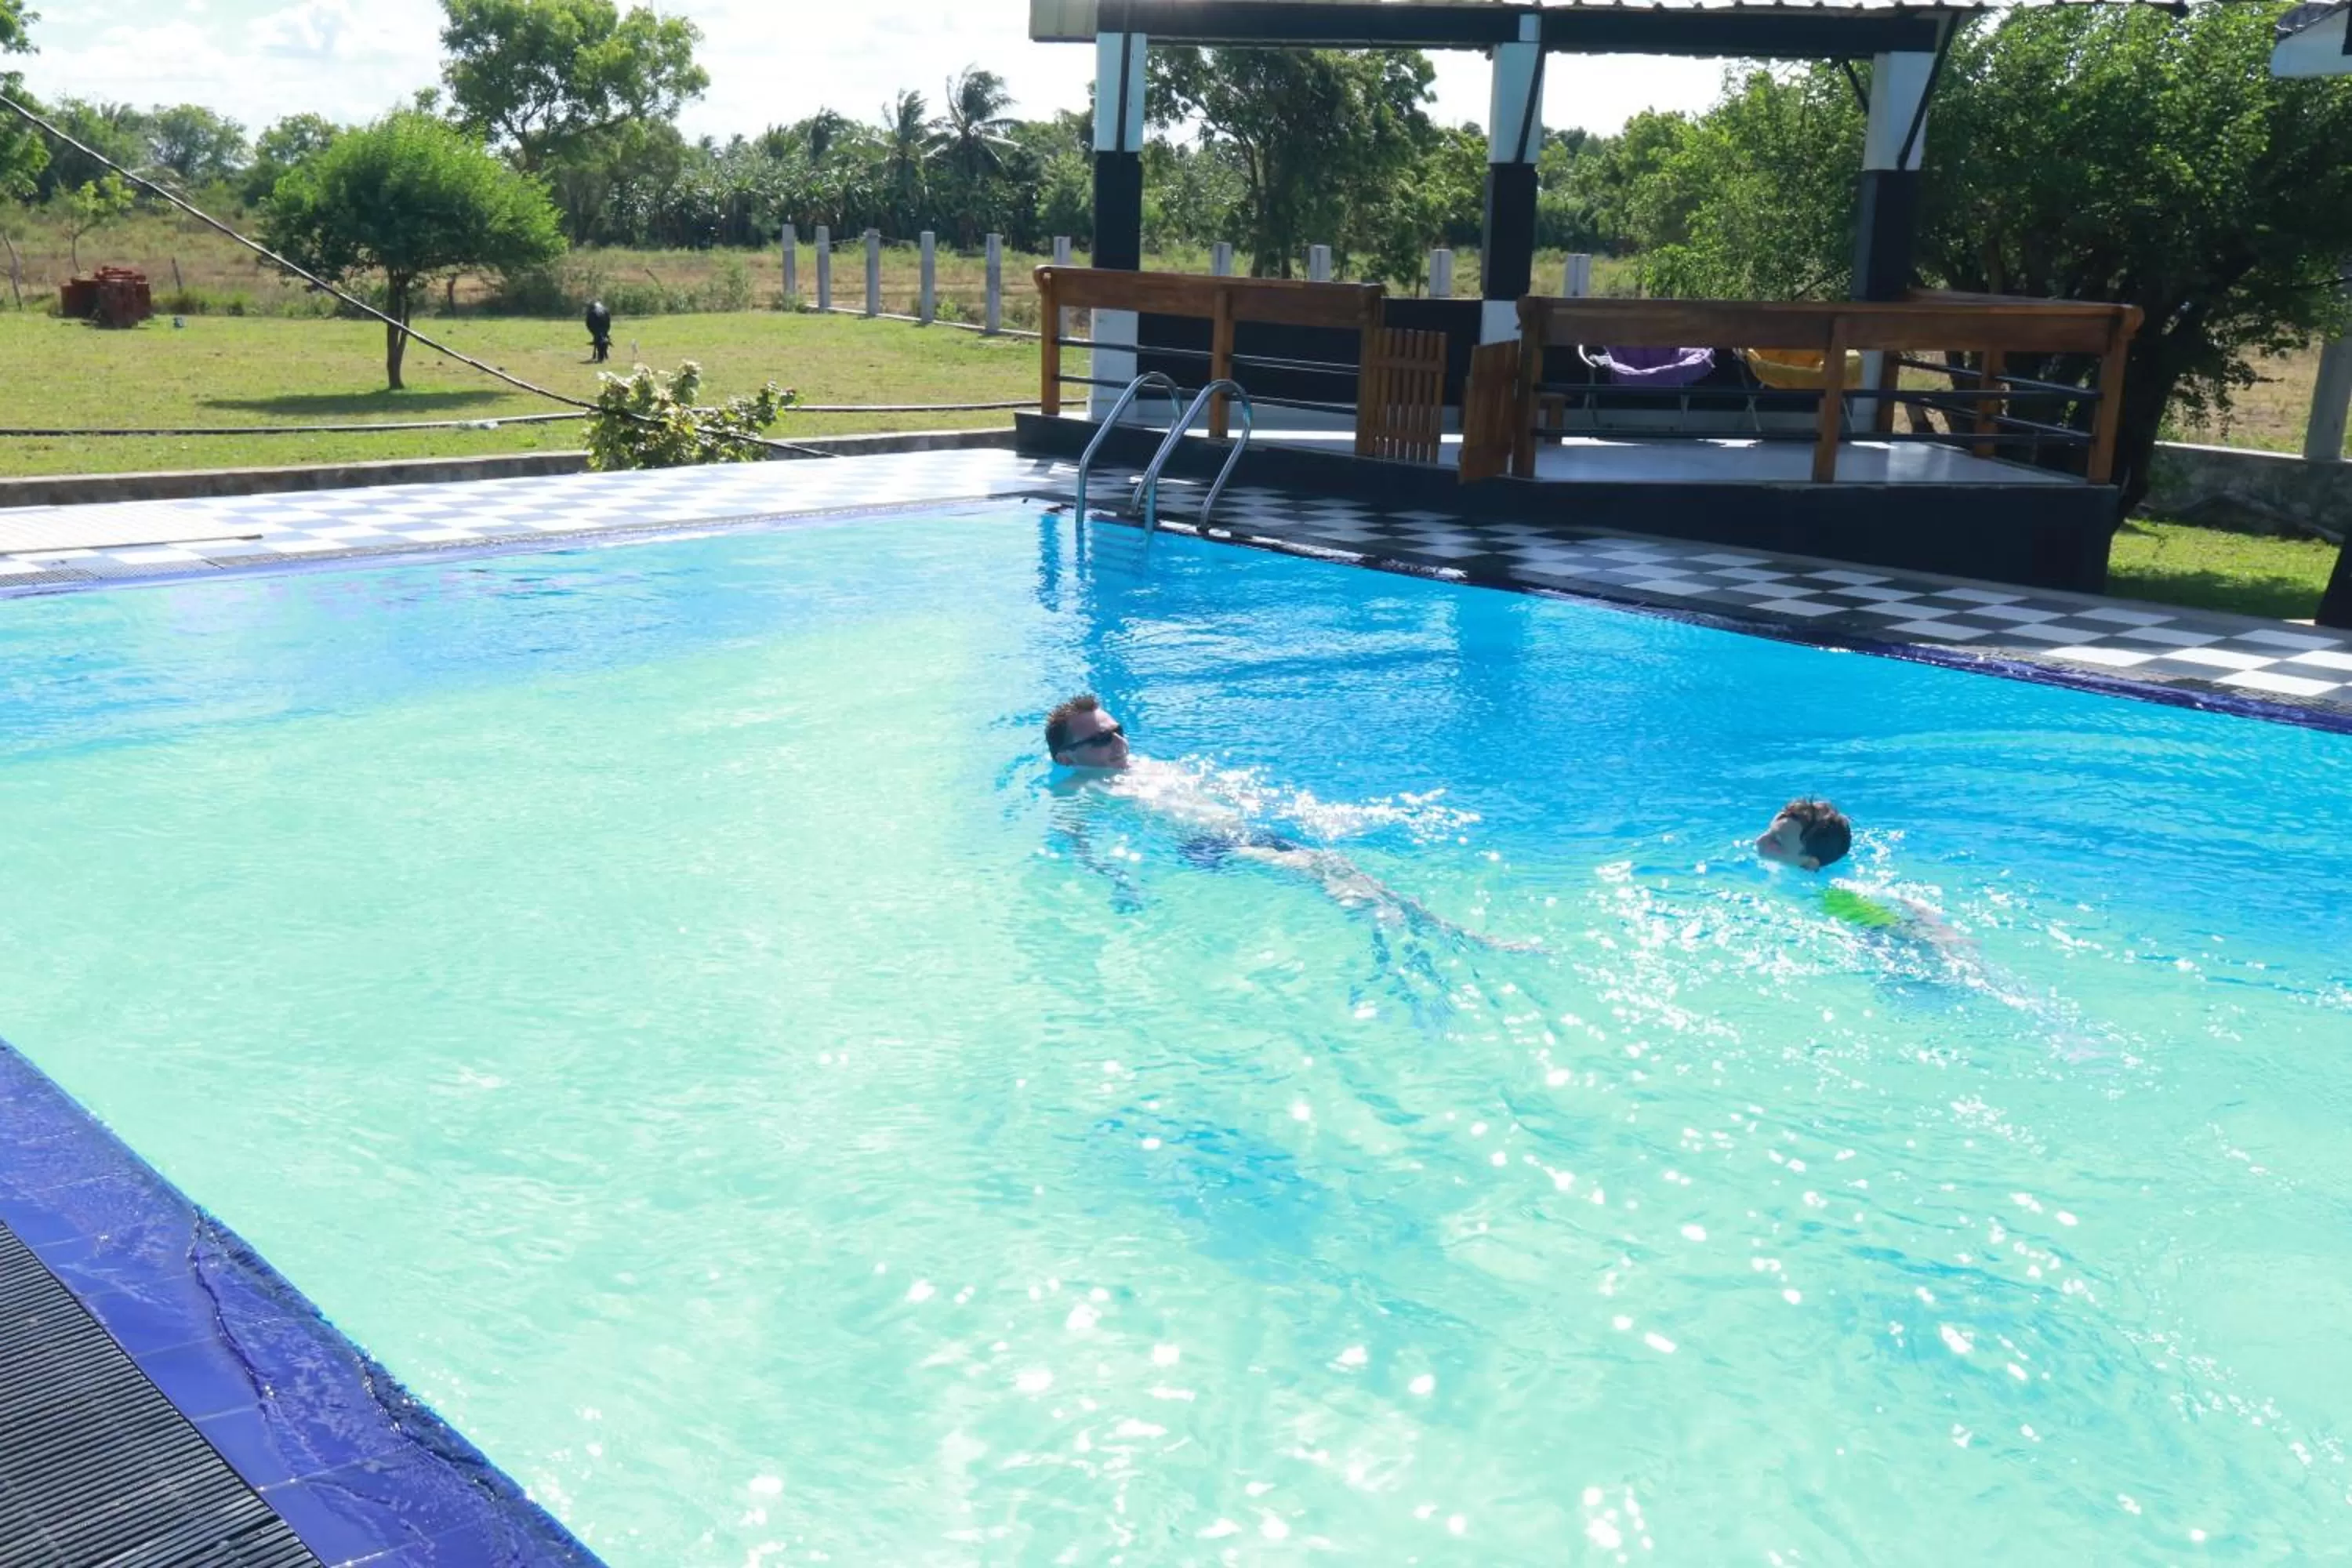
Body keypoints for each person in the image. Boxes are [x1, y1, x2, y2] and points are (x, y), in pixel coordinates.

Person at [1045, 693, 1534, 949]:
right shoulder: (1074, 789)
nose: (1119, 745)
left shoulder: (1144, 766)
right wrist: (1119, 883)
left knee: (1340, 865)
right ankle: (1390, 942)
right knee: (1320, 869)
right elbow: (1077, 843)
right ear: (1067, 758)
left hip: (1242, 833)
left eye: (1119, 732)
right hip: (1208, 849)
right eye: (1101, 741)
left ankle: (1452, 933)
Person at [584, 299, 613, 364]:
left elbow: (589, 324)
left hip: (599, 325)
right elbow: (608, 324)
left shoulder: (592, 313)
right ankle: (604, 353)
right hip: (602, 325)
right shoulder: (605, 311)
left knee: (599, 337)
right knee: (602, 337)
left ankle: (600, 354)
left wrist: (595, 334)